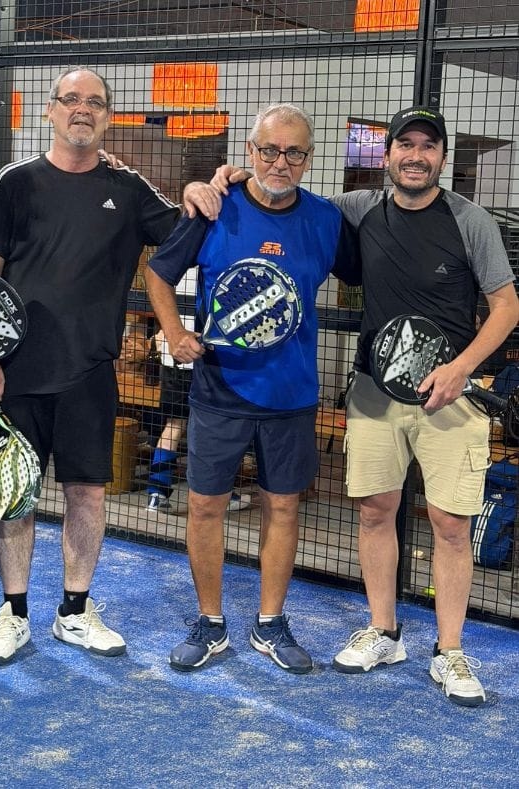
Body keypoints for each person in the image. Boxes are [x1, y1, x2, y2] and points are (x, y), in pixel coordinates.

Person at [205, 105, 519, 705]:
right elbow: (282, 191)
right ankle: (384, 630)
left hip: (451, 397)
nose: (416, 156)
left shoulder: (469, 220)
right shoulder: (355, 211)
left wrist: (461, 370)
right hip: (376, 392)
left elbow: (506, 306)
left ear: (442, 159)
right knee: (375, 511)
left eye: (429, 147)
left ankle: (450, 651)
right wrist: (226, 177)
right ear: (387, 154)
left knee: (451, 526)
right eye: (406, 145)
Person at [0, 66, 181, 665]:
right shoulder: (14, 183)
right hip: (14, 372)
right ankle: (13, 615)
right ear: (51, 111)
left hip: (90, 372)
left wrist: (211, 187)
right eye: (71, 100)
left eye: (96, 102)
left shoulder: (129, 188)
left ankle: (74, 611)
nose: (83, 109)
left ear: (109, 117)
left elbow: (184, 236)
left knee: (87, 493)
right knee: (13, 496)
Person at [146, 102, 359, 673]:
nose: (280, 162)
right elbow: (158, 273)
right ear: (249, 152)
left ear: (308, 160)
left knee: (283, 506)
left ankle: (270, 623)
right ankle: (210, 623)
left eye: (293, 152)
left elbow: (370, 269)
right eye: (269, 150)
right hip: (220, 388)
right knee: (205, 505)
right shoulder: (214, 208)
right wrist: (173, 330)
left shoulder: (326, 219)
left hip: (291, 393)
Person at [145, 325, 252, 515]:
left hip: (173, 357)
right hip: (203, 360)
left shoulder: (169, 294)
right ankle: (220, 497)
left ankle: (156, 494)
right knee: (213, 427)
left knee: (174, 425)